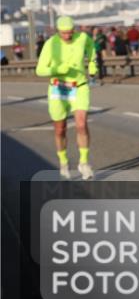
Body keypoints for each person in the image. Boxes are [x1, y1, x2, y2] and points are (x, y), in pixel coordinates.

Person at [35, 16, 98, 180]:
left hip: (79, 86)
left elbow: (91, 47)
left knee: (81, 124)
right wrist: (57, 69)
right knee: (60, 129)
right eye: (64, 33)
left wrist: (92, 63)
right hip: (58, 88)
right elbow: (40, 70)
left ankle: (84, 163)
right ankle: (63, 162)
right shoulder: (51, 44)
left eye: (70, 32)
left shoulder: (82, 38)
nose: (68, 36)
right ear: (58, 31)